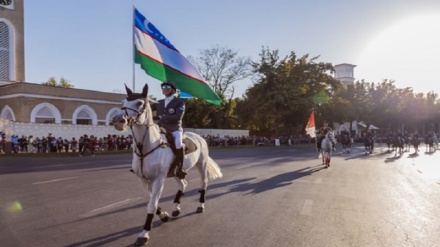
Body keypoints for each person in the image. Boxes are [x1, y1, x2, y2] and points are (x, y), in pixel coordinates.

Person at [151, 81, 187, 179]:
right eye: (163, 87)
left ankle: (180, 168)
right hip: (160, 128)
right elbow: (147, 109)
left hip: (174, 128)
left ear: (173, 90)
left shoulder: (179, 102)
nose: (165, 88)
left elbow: (178, 117)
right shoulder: (159, 102)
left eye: (168, 87)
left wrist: (161, 117)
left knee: (179, 143)